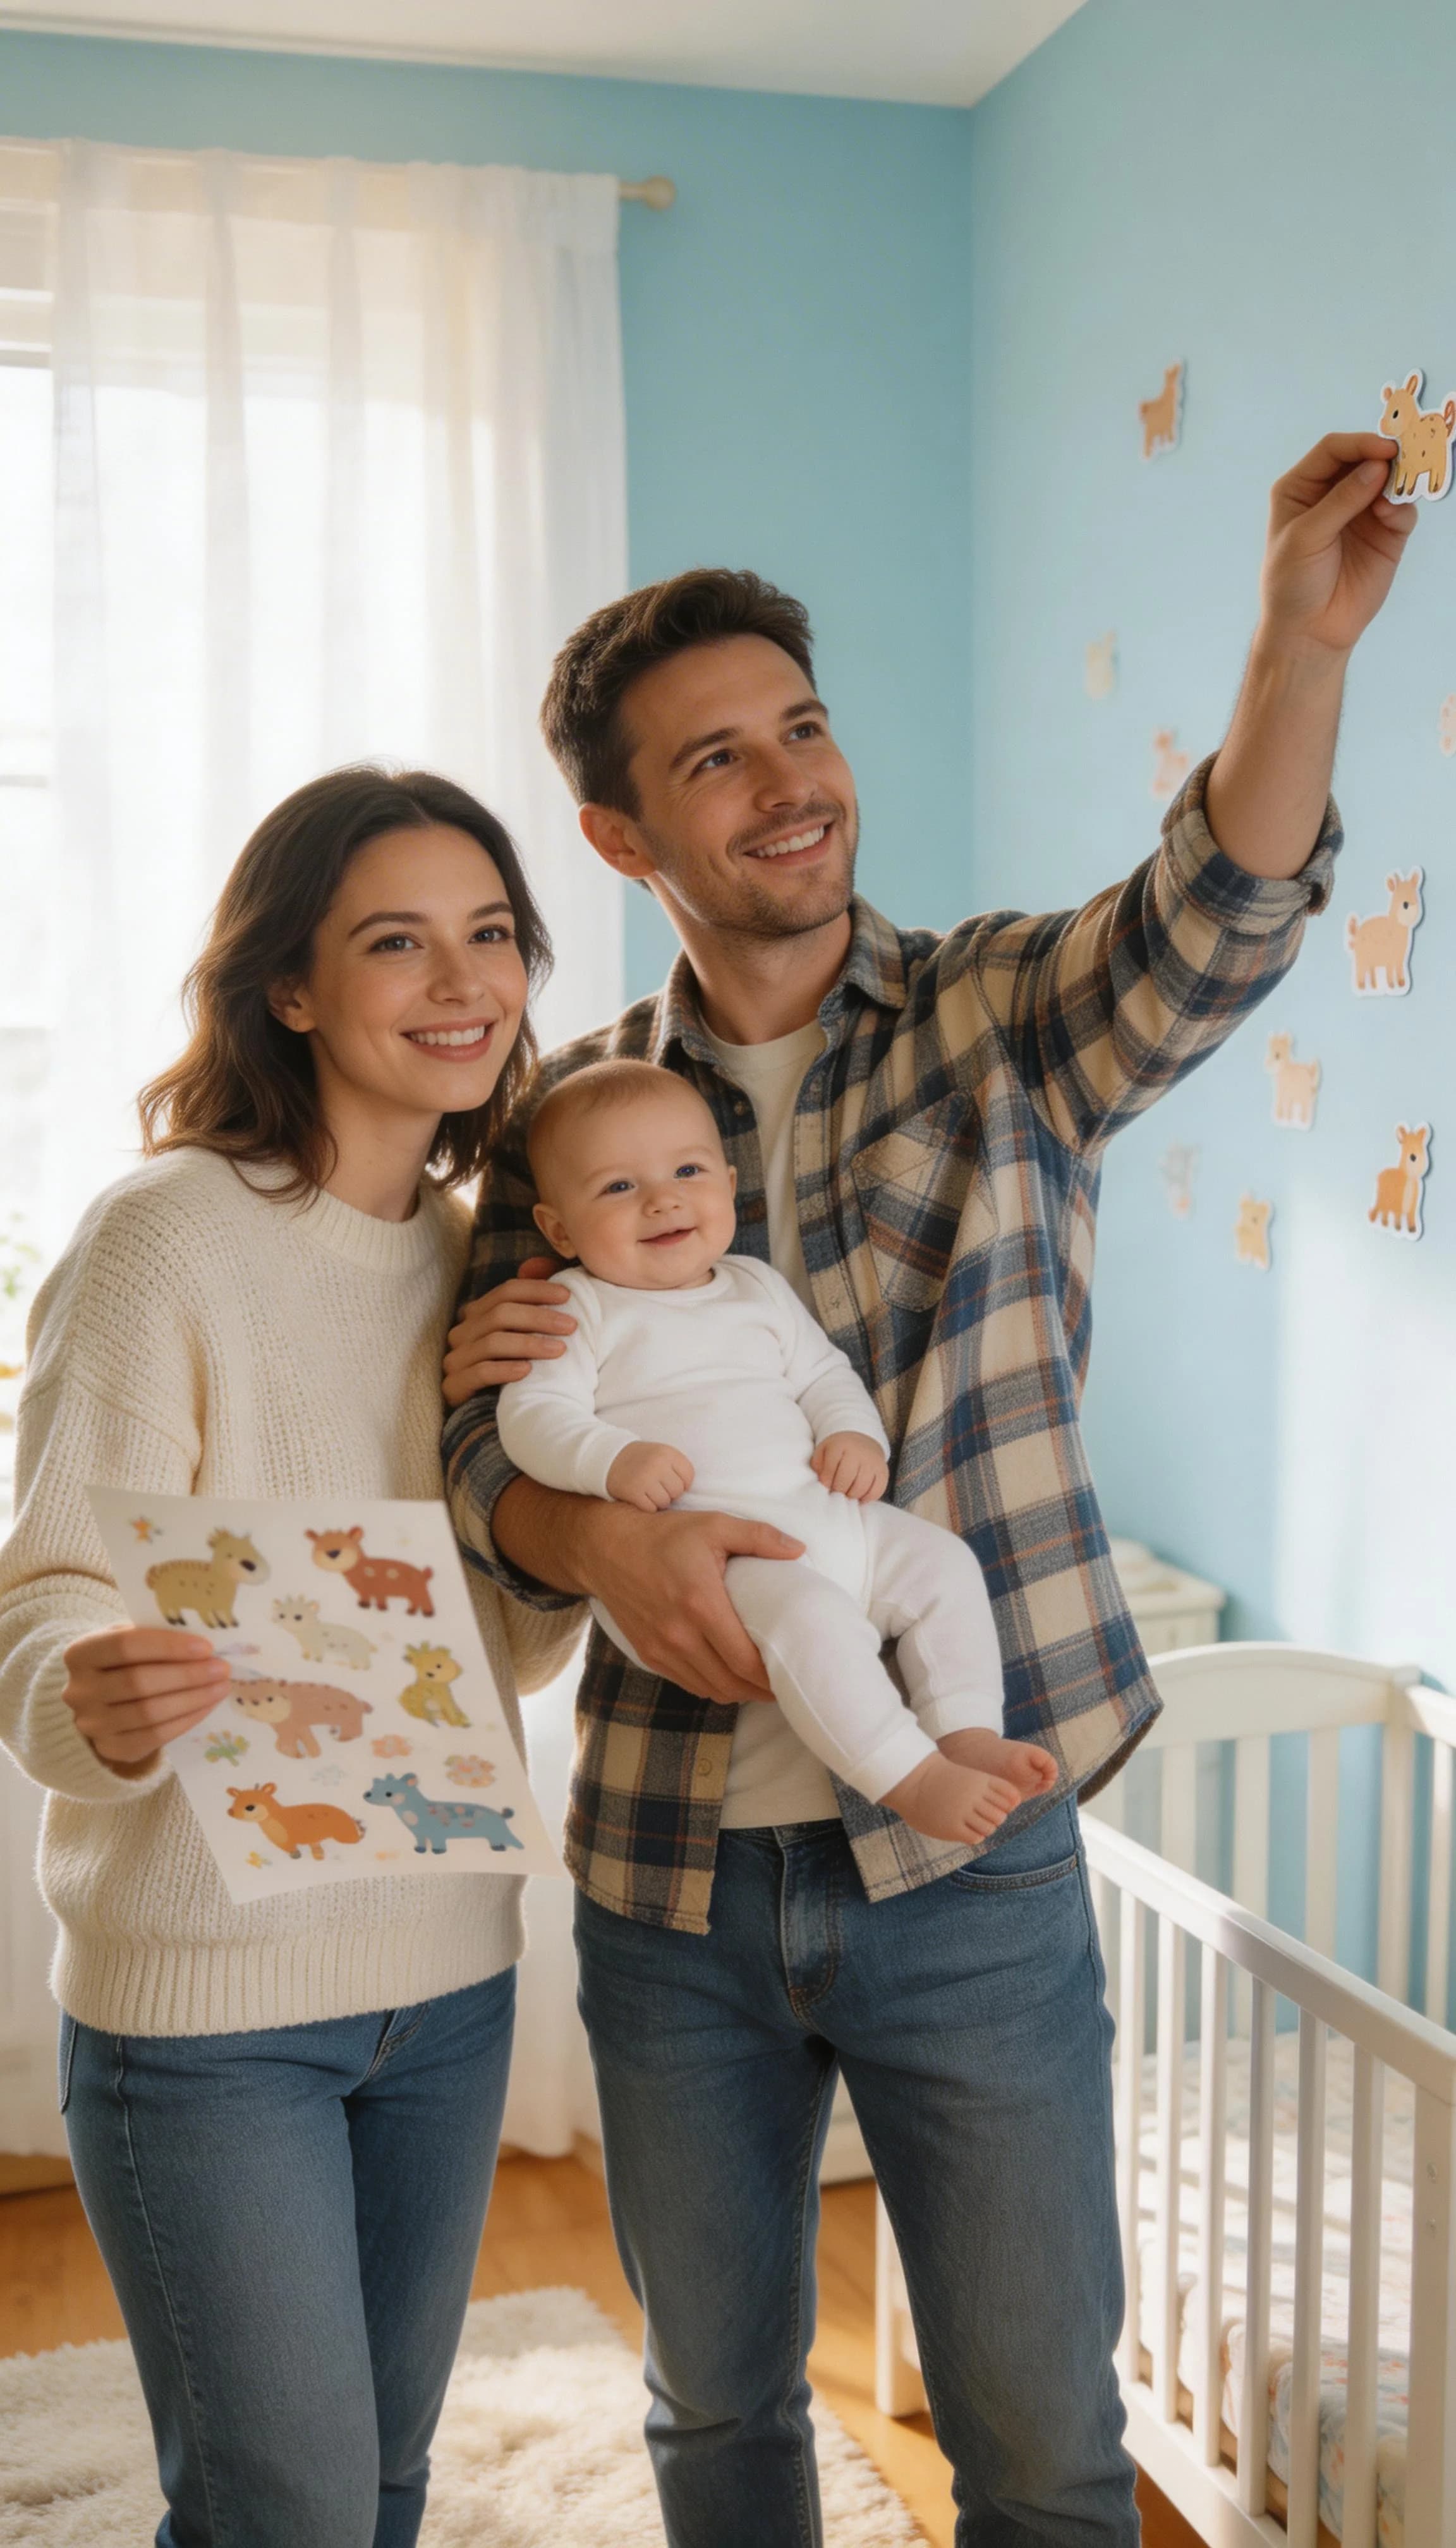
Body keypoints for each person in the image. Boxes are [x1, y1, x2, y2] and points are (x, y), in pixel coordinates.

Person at [443, 433, 1416, 2546]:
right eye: (715, 758)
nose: (789, 776)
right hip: (668, 1872)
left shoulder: (994, 1020)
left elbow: (1215, 912)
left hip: (968, 1861)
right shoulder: (563, 1114)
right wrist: (581, 1524)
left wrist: (1297, 637)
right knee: (714, 2417)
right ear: (619, 832)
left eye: (801, 724)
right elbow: (472, 1433)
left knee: (1045, 2453)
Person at [0, 768, 582, 2548]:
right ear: (292, 989)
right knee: (292, 2511)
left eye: (489, 934)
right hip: (208, 2008)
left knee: (387, 2484)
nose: (459, 980)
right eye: (394, 941)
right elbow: (41, 1602)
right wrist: (90, 1691)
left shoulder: (498, 1264)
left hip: (448, 1977)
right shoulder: (165, 1238)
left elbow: (510, 1646)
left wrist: (566, 1514)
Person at [499, 1057, 1057, 1843]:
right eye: (618, 1187)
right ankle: (910, 1776)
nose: (662, 1198)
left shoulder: (755, 1286)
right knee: (814, 1620)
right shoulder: (578, 1308)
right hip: (719, 1566)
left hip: (828, 1519)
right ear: (559, 1228)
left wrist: (850, 1432)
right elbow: (531, 1416)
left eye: (686, 1171)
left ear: (728, 1186)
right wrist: (609, 1460)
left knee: (944, 1567)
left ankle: (963, 1731)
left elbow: (823, 1373)